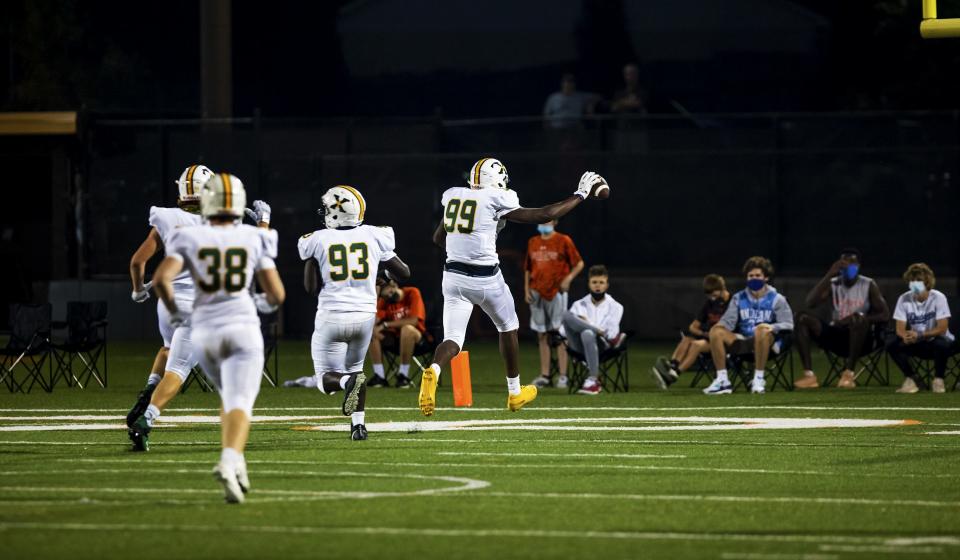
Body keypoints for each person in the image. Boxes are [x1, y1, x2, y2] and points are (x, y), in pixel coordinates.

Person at [419, 157, 609, 416]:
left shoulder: (453, 196)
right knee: (508, 327)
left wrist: (471, 241)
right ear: (496, 179)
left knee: (453, 339)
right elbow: (544, 215)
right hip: (486, 278)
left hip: (452, 277)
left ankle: (434, 371)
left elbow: (438, 238)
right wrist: (580, 194)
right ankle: (514, 392)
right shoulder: (497, 198)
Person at [151, 172, 285, 503]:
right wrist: (263, 302)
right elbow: (277, 294)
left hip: (204, 331)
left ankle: (236, 462)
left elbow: (160, 279)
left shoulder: (188, 236)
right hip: (241, 326)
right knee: (240, 400)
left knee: (229, 395)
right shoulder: (256, 237)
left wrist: (176, 311)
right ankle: (229, 460)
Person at [298, 185, 411, 440]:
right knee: (356, 369)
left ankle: (344, 384)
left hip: (332, 314)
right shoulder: (374, 235)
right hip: (364, 317)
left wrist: (311, 261)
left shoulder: (316, 239)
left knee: (324, 379)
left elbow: (310, 288)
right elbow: (404, 273)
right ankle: (358, 426)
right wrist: (379, 276)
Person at [125, 164, 212, 437]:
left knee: (167, 348)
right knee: (180, 367)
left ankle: (148, 391)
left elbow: (138, 262)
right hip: (199, 305)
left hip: (168, 300)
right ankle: (146, 420)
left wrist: (138, 290)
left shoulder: (166, 217)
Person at [793, 249, 890, 389]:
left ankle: (848, 374)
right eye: (844, 263)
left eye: (852, 263)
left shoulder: (868, 284)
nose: (848, 267)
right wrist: (829, 274)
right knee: (801, 317)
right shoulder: (834, 283)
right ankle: (809, 376)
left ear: (858, 265)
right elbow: (810, 303)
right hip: (837, 335)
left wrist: (854, 319)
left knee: (858, 319)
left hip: (862, 339)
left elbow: (884, 315)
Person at [704, 256, 794, 395]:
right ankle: (722, 381)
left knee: (761, 330)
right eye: (750, 276)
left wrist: (772, 327)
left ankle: (758, 379)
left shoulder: (777, 299)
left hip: (768, 343)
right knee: (716, 331)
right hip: (745, 342)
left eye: (758, 275)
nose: (754, 278)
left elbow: (788, 324)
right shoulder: (738, 298)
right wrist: (719, 329)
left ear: (766, 278)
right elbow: (728, 322)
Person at [525, 219, 583, 389]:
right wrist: (526, 289)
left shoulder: (563, 240)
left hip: (557, 291)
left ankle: (563, 376)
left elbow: (579, 263)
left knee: (560, 333)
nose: (544, 223)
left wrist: (568, 279)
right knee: (541, 334)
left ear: (555, 222)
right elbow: (528, 268)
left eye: (547, 220)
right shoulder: (533, 242)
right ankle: (545, 375)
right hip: (536, 291)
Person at [651, 274, 730, 389]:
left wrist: (712, 334)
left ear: (722, 289)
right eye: (709, 295)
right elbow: (693, 326)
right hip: (708, 337)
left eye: (713, 294)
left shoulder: (732, 303)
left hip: (722, 340)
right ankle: (672, 367)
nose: (712, 298)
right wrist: (703, 333)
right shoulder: (710, 304)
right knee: (687, 339)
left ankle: (674, 375)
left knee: (696, 344)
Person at [887, 263, 954, 394]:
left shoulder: (938, 298)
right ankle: (912, 378)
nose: (914, 284)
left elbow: (942, 328)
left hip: (935, 342)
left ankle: (938, 380)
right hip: (917, 342)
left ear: (927, 281)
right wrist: (905, 336)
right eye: (912, 281)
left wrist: (919, 335)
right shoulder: (904, 298)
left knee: (942, 343)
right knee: (891, 344)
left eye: (918, 280)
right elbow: (899, 328)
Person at [563, 265, 625, 395]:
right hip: (578, 346)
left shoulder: (616, 307)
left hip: (603, 346)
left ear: (607, 285)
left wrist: (586, 324)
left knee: (587, 333)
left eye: (601, 282)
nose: (598, 286)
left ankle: (593, 379)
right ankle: (593, 381)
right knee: (566, 315)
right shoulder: (578, 304)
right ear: (589, 284)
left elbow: (612, 333)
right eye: (594, 282)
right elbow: (564, 331)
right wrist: (596, 329)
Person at [367, 278, 427, 388]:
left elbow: (414, 321)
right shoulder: (385, 300)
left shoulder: (412, 292)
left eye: (389, 292)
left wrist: (386, 325)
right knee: (370, 331)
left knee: (407, 329)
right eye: (385, 295)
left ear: (394, 285)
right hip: (395, 340)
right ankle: (379, 377)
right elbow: (373, 320)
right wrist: (375, 299)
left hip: (418, 339)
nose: (388, 296)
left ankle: (403, 376)